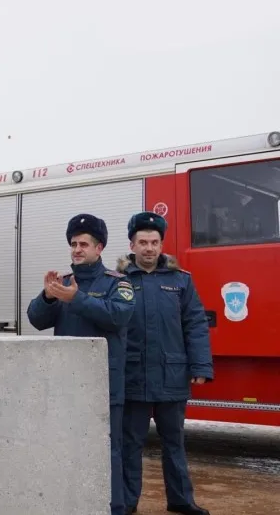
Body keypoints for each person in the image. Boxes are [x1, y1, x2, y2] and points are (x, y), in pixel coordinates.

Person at [26, 213, 134, 515]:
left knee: (108, 450)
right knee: (67, 446)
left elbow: (119, 316)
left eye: (83, 244)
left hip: (104, 385)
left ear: (99, 248)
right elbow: (35, 320)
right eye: (73, 244)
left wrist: (77, 299)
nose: (77, 249)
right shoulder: (62, 283)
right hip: (67, 385)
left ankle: (114, 508)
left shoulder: (118, 282)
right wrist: (48, 298)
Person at [118, 212, 213, 515]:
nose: (149, 248)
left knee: (174, 443)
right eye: (143, 242)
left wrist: (200, 367)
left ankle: (181, 500)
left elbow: (195, 323)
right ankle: (127, 502)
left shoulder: (181, 281)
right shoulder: (118, 281)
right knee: (130, 445)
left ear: (161, 245)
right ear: (132, 245)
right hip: (133, 376)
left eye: (154, 242)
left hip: (172, 375)